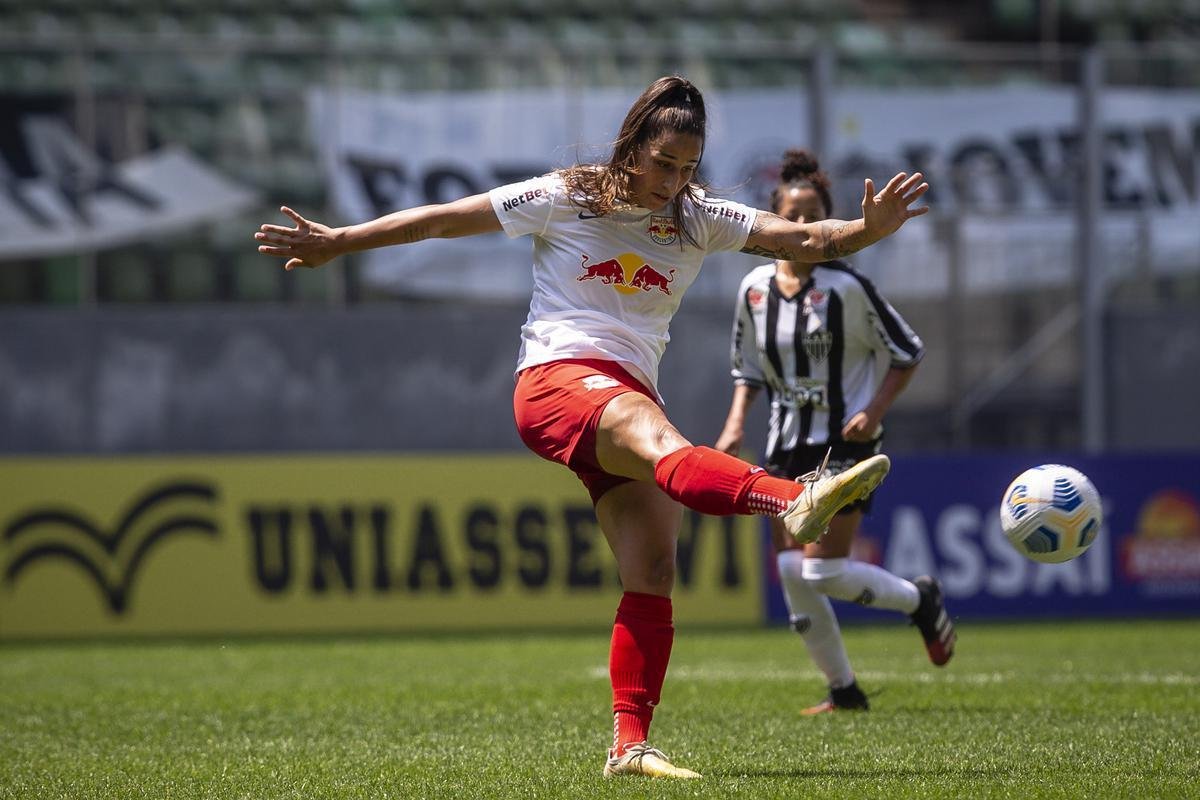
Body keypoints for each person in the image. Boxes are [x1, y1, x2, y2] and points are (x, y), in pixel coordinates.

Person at [255, 77, 929, 779]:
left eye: (689, 168)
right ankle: (793, 498)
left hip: (623, 397)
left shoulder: (698, 219)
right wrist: (340, 242)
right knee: (661, 438)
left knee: (653, 568)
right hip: (555, 381)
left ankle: (629, 747)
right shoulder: (567, 195)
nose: (674, 181)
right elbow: (444, 219)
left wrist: (863, 232)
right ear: (633, 147)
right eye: (664, 162)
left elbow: (803, 236)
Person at [715, 149, 956, 716]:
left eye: (813, 215)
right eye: (791, 215)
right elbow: (747, 368)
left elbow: (907, 352)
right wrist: (733, 427)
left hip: (843, 444)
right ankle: (844, 690)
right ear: (772, 219)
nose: (801, 228)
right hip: (782, 444)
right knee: (789, 569)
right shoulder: (753, 288)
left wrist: (874, 410)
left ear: (830, 222)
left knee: (821, 568)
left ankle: (919, 599)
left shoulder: (847, 286)